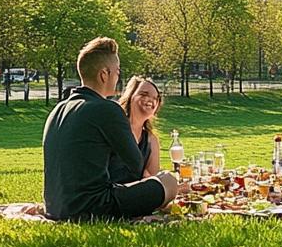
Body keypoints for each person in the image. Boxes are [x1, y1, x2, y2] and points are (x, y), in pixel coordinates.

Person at [41, 37, 180, 221]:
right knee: (169, 181)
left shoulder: (58, 109)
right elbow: (135, 164)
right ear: (104, 74)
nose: (117, 77)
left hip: (55, 207)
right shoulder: (106, 108)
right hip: (93, 208)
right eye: (117, 72)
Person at [109, 76, 163, 183]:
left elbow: (152, 182)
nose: (151, 100)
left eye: (156, 98)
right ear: (130, 97)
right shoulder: (113, 129)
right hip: (108, 195)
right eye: (144, 94)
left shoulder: (151, 140)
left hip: (136, 196)